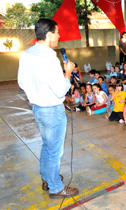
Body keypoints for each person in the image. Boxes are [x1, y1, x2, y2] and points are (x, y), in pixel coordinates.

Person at [17, 18, 79, 198]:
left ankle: (47, 178)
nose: (59, 36)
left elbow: (22, 82)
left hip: (37, 108)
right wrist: (67, 72)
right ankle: (55, 187)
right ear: (49, 34)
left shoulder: (27, 54)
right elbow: (61, 90)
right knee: (54, 151)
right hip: (52, 110)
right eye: (57, 33)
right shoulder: (51, 59)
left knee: (47, 146)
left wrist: (38, 91)